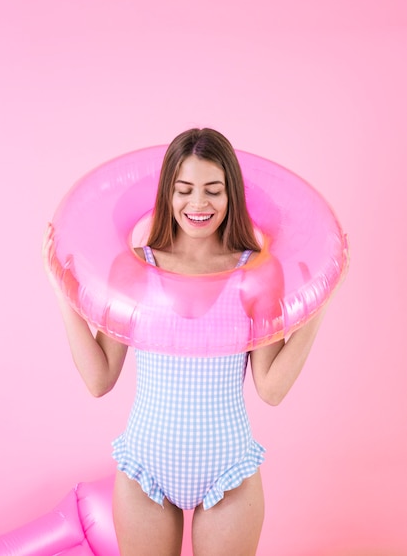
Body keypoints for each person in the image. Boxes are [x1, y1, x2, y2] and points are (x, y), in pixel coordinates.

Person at [43, 128, 325, 556]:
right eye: (185, 190)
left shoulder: (257, 272)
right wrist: (62, 291)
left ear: (231, 196)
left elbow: (271, 388)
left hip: (228, 470)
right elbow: (100, 379)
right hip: (146, 467)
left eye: (214, 190)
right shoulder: (136, 266)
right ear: (167, 194)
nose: (198, 204)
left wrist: (318, 305)